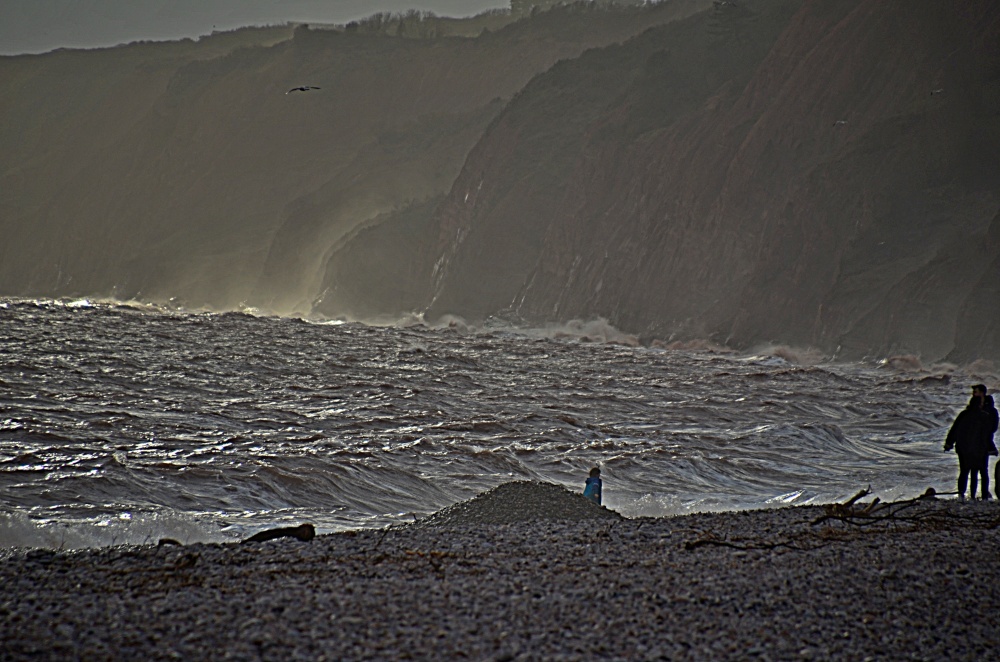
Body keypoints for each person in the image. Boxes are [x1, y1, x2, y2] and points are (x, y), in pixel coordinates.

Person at [944, 385, 994, 501]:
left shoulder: (964, 414)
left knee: (965, 471)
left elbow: (954, 429)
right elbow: (986, 435)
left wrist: (949, 443)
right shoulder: (984, 416)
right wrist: (991, 447)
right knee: (981, 471)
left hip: (963, 449)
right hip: (979, 449)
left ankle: (962, 495)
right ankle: (982, 497)